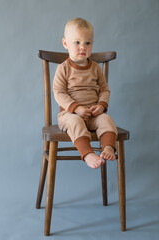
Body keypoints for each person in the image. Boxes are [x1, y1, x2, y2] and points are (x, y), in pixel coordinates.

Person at [53, 18, 118, 169]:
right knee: (75, 122)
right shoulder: (63, 68)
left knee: (106, 119)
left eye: (87, 43)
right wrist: (76, 108)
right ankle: (87, 153)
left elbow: (104, 90)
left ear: (92, 44)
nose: (83, 47)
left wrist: (101, 106)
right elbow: (59, 93)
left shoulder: (95, 68)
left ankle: (108, 146)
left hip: (93, 115)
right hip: (69, 115)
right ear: (65, 43)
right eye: (77, 42)